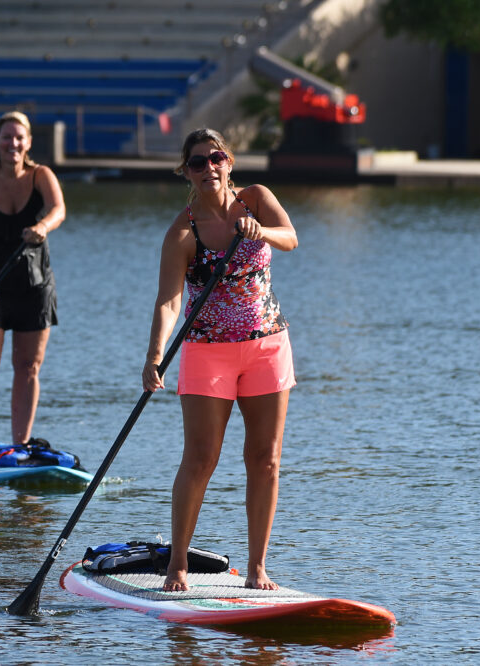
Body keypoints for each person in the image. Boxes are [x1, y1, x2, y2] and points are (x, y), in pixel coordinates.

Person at [141, 128, 298, 591]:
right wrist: (154, 357)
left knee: (265, 460)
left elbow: (289, 238)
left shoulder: (256, 199)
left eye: (216, 158)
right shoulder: (182, 232)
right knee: (201, 458)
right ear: (184, 171)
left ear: (229, 161)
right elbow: (169, 302)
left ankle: (257, 568)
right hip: (207, 353)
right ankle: (177, 566)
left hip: (268, 346)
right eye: (196, 162)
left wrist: (259, 229)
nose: (208, 167)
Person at [0, 111, 65, 460]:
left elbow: (58, 208)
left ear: (29, 143)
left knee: (28, 366)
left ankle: (20, 447)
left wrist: (44, 227)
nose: (13, 144)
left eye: (19, 138)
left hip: (35, 284)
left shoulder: (41, 176)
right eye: (6, 137)